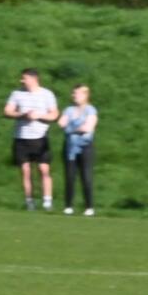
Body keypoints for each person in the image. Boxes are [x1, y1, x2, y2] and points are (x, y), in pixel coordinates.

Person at [3, 68, 59, 211]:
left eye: (24, 78)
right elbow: (7, 111)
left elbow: (54, 114)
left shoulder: (47, 94)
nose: (21, 81)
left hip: (40, 137)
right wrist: (22, 114)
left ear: (33, 79)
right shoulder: (17, 94)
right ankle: (29, 202)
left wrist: (38, 116)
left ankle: (47, 201)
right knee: (25, 171)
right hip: (21, 138)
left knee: (43, 169)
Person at [59, 83, 97, 216]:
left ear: (85, 95)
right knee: (69, 177)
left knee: (86, 177)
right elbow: (61, 123)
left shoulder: (91, 110)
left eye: (77, 93)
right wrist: (76, 129)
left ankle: (89, 207)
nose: (74, 95)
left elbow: (88, 128)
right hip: (70, 147)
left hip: (85, 147)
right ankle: (68, 206)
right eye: (73, 93)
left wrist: (71, 129)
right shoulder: (69, 110)